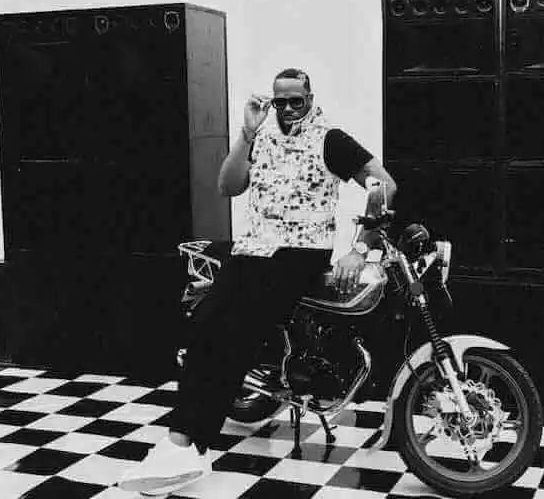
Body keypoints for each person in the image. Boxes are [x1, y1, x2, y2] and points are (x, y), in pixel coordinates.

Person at [118, 68, 397, 495]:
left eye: (296, 101)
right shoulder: (261, 136)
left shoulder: (330, 139)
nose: (288, 109)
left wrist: (360, 247)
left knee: (234, 334)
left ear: (309, 98)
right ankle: (184, 446)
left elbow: (384, 185)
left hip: (300, 252)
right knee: (204, 327)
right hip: (253, 250)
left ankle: (186, 442)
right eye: (279, 101)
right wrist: (247, 133)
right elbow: (228, 185)